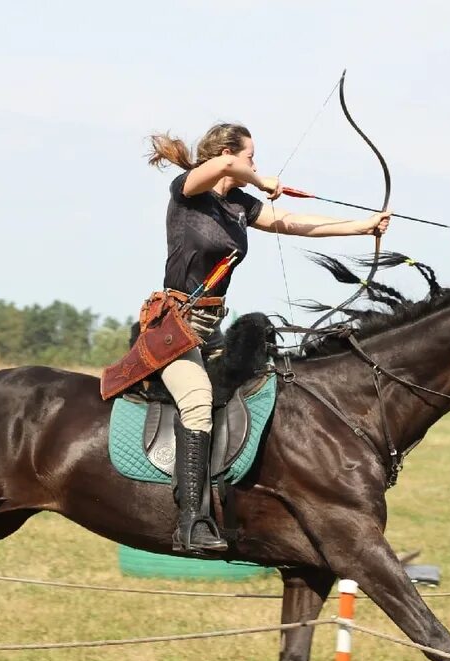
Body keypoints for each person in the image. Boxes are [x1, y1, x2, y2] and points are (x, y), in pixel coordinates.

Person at [145, 122, 391, 554]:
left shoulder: (238, 204)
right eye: (250, 156)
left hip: (209, 328)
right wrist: (260, 178)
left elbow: (293, 223)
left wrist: (362, 226)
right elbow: (219, 166)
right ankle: (190, 524)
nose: (254, 163)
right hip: (174, 330)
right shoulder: (188, 191)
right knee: (198, 400)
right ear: (228, 153)